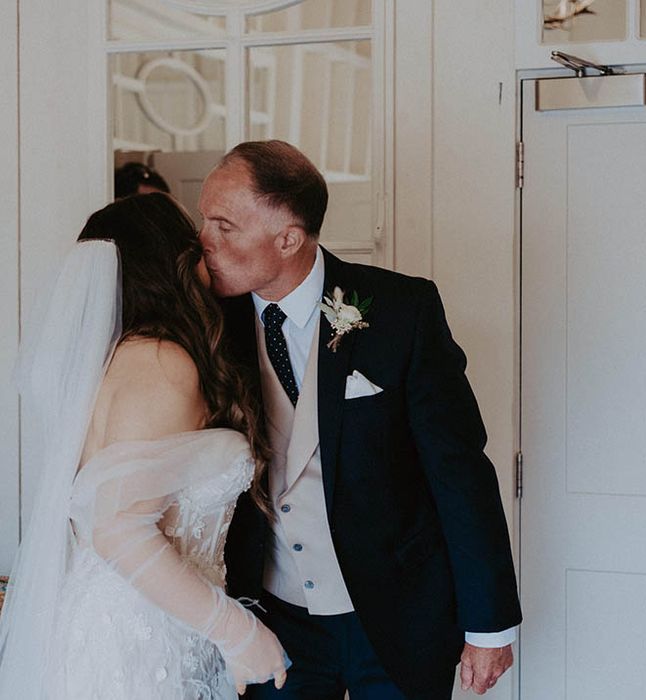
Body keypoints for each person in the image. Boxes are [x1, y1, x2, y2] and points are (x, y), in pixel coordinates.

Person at [199, 141, 523, 700]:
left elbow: (460, 472)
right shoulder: (207, 322)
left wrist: (489, 623)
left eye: (224, 225)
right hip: (271, 616)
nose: (205, 239)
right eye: (203, 219)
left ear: (288, 237)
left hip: (396, 613)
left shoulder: (402, 311)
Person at [0, 193, 289, 699]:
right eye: (194, 246)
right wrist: (240, 632)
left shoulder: (116, 360)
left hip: (145, 617)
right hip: (141, 632)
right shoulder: (160, 362)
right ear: (169, 263)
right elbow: (119, 529)